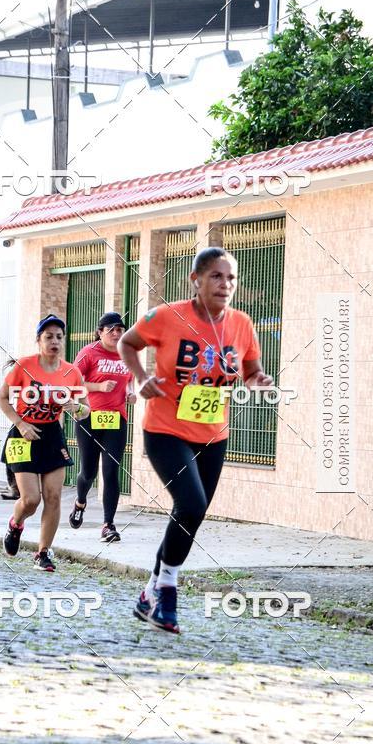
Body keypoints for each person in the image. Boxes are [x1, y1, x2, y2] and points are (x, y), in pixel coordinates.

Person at [118, 247, 273, 634]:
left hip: (213, 434)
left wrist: (257, 381)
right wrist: (141, 378)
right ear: (196, 280)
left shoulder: (241, 324)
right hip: (165, 429)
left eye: (231, 278)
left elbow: (251, 369)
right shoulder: (168, 317)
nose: (226, 284)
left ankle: (148, 592)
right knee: (191, 502)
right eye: (217, 276)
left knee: (191, 514)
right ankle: (167, 593)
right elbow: (127, 343)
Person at [0, 314, 90, 571]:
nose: (54, 341)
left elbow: (86, 410)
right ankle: (15, 524)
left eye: (59, 337)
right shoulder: (24, 366)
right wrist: (21, 424)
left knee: (54, 496)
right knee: (31, 500)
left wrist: (76, 407)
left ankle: (43, 553)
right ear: (38, 340)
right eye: (48, 337)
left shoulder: (72, 372)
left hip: (51, 435)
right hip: (23, 434)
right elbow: (2, 399)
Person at [69, 312, 136, 543]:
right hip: (88, 416)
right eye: (111, 330)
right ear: (100, 332)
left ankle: (108, 525)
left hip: (116, 418)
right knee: (89, 471)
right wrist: (98, 386)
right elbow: (73, 383)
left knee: (110, 471)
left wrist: (129, 393)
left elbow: (129, 379)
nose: (117, 334)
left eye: (120, 329)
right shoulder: (88, 353)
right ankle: (80, 501)